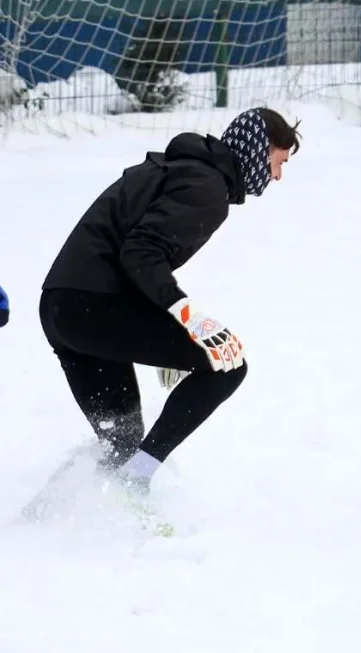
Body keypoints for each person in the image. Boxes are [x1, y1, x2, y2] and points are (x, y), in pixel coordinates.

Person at [38, 107, 301, 505]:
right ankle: (137, 479)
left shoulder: (183, 170)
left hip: (63, 309)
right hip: (95, 306)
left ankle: (42, 518)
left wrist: (162, 319)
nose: (277, 176)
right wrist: (185, 316)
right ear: (257, 149)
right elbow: (141, 254)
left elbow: (133, 253)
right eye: (277, 162)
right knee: (226, 363)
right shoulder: (207, 188)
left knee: (120, 441)